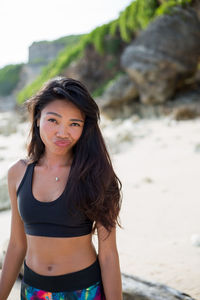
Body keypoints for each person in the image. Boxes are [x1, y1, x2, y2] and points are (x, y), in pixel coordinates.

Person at [0, 77, 123, 300]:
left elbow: (108, 256)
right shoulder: (17, 173)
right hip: (33, 292)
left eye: (74, 124)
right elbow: (17, 245)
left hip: (85, 291)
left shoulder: (97, 175)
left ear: (85, 128)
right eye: (53, 120)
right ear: (37, 119)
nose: (62, 132)